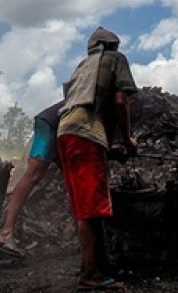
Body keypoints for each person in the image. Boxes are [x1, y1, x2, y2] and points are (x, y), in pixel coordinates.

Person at [57, 27, 137, 292]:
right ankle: (90, 274)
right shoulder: (116, 59)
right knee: (91, 208)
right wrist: (127, 140)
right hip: (86, 135)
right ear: (112, 45)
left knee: (84, 206)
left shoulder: (82, 66)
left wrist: (108, 145)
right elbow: (119, 101)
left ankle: (95, 267)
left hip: (66, 132)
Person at [0, 100, 63, 256]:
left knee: (34, 175)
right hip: (52, 125)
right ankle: (6, 232)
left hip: (52, 124)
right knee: (33, 175)